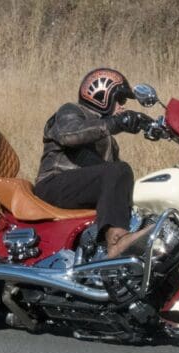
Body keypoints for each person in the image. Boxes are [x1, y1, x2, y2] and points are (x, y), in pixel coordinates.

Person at [34, 68, 153, 258]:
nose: (122, 106)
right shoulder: (71, 111)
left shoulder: (108, 141)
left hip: (78, 191)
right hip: (53, 185)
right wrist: (116, 123)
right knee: (118, 171)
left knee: (128, 179)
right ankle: (117, 240)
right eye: (119, 100)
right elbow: (68, 135)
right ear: (101, 96)